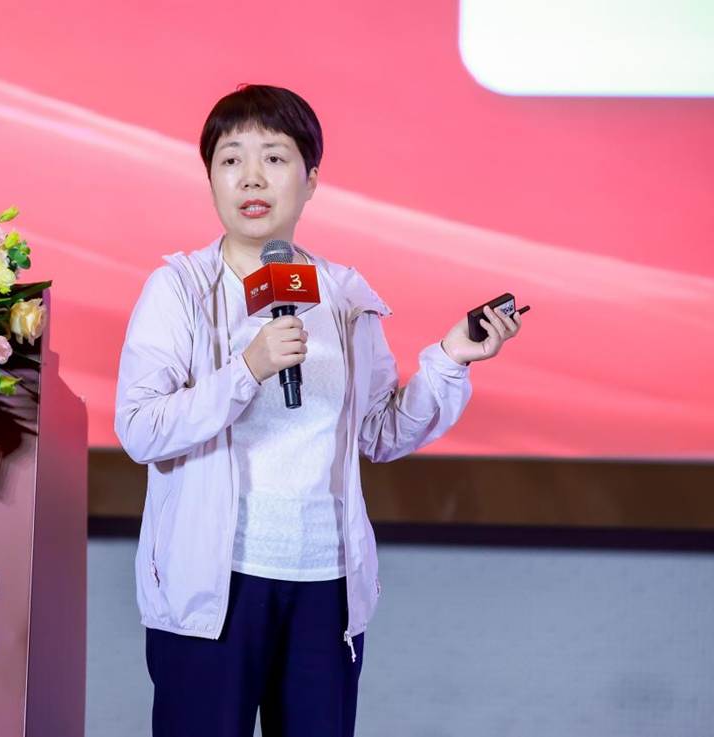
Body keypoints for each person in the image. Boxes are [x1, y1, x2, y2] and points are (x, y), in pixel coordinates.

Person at [114, 84, 522, 737]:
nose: (251, 177)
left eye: (275, 158)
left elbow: (380, 430)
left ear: (310, 181)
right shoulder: (179, 288)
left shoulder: (343, 296)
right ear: (210, 177)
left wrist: (451, 358)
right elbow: (141, 428)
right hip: (212, 587)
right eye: (230, 159)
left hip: (324, 584)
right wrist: (246, 369)